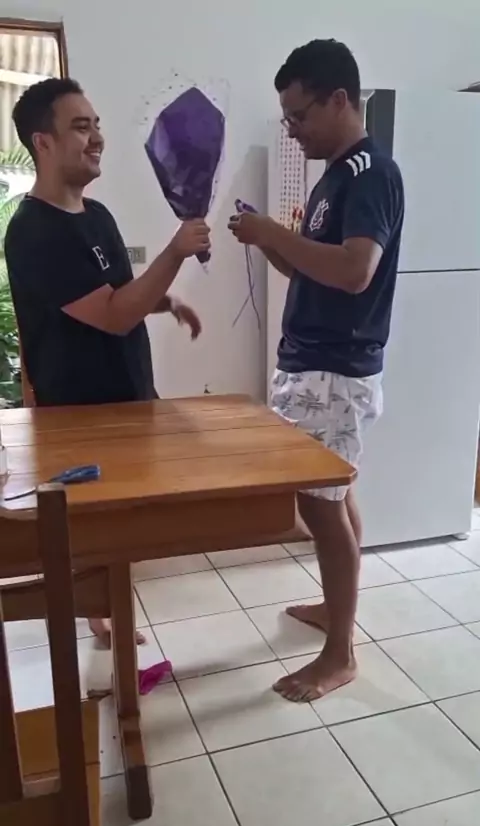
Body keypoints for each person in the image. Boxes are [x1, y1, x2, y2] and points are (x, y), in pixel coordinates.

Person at [5, 77, 210, 646]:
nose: (97, 137)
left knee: (120, 524)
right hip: (79, 416)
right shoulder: (32, 232)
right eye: (80, 127)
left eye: (96, 125)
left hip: (128, 398)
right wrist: (175, 251)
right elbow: (116, 315)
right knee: (89, 526)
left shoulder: (97, 215)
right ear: (42, 142)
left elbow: (120, 292)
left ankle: (108, 610)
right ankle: (100, 616)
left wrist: (166, 302)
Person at [229, 39, 404, 702]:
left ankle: (340, 654)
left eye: (299, 116)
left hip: (335, 369)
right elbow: (311, 268)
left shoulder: (370, 172)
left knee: (319, 506)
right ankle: (337, 613)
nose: (292, 130)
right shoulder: (334, 176)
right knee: (335, 498)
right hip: (313, 363)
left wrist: (276, 235)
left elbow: (356, 272)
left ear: (339, 99)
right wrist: (268, 237)